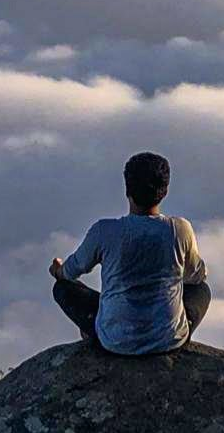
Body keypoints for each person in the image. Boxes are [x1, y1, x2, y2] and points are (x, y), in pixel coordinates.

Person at [49, 151, 211, 355]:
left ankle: (97, 329)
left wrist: (58, 270)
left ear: (127, 189)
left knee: (63, 289)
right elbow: (198, 275)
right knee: (202, 290)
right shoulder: (179, 229)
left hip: (115, 340)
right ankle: (170, 328)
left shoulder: (104, 231)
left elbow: (71, 272)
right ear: (165, 190)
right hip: (168, 340)